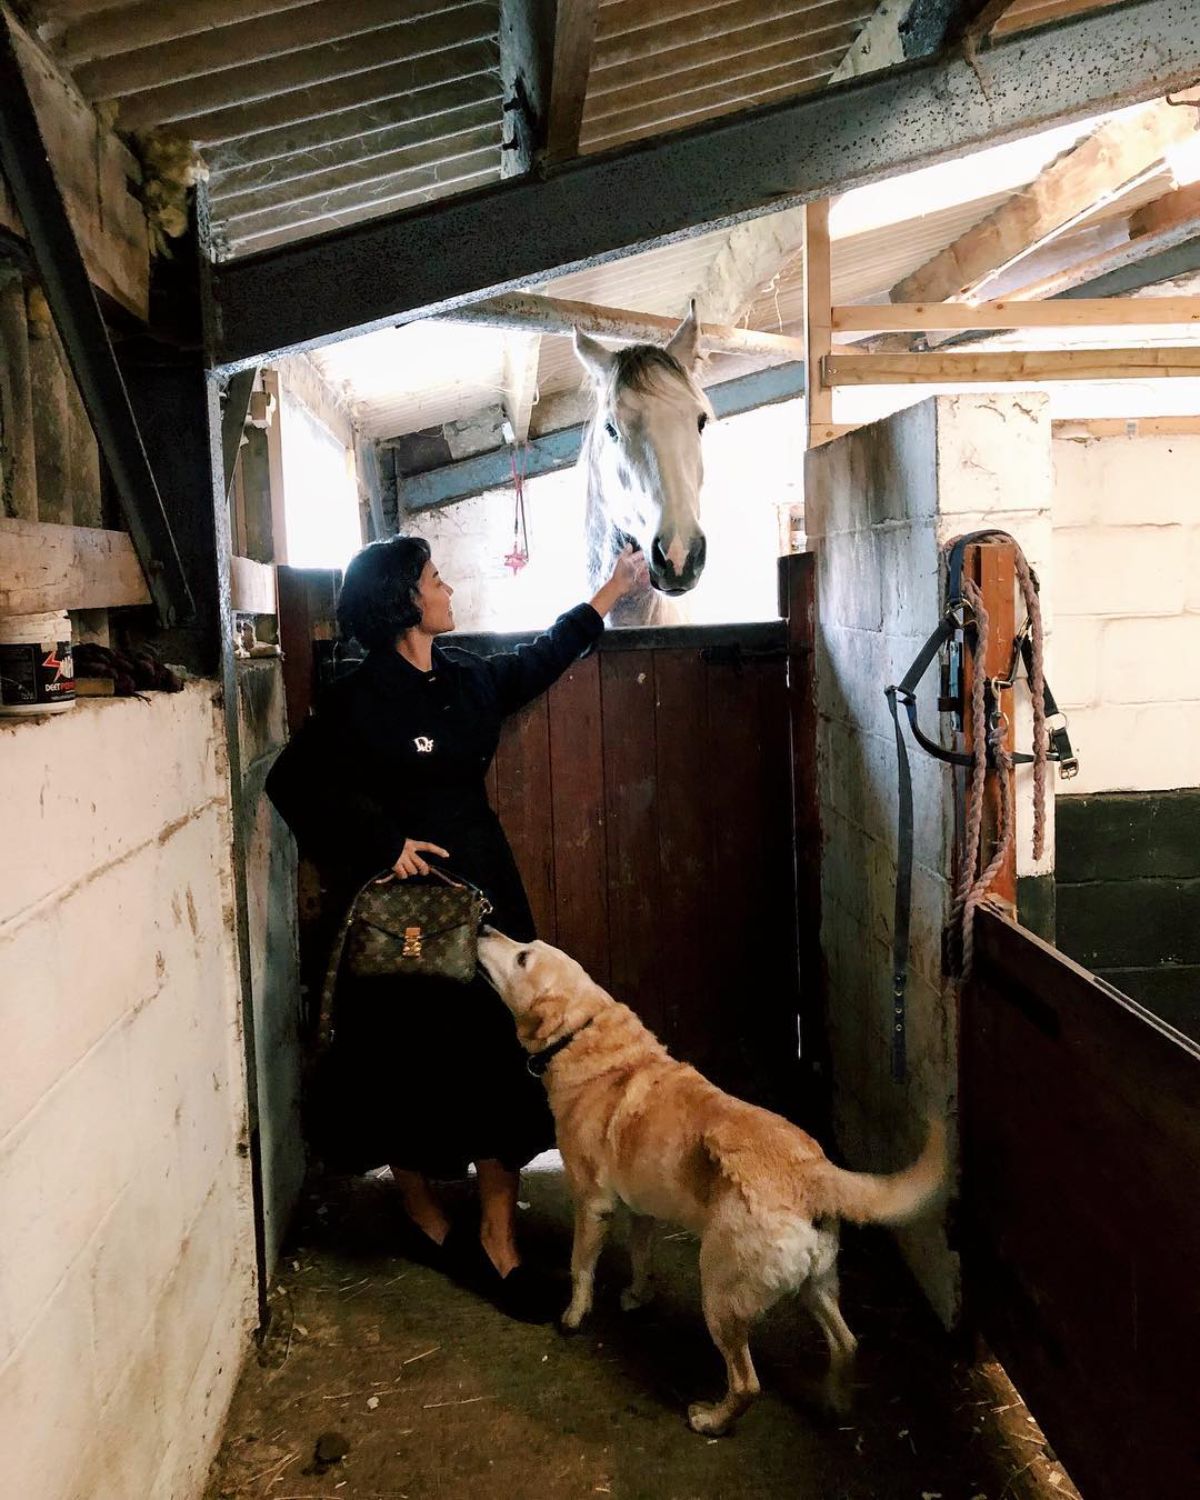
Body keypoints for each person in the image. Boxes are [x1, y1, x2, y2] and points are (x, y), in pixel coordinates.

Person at [265, 535, 646, 1320]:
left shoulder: (466, 677)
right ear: (405, 599)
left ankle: (497, 1236)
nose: (447, 587)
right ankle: (423, 1215)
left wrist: (608, 595)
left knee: (497, 1056)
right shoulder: (357, 697)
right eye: (435, 578)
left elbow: (537, 662)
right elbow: (289, 779)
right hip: (401, 912)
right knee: (400, 1054)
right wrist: (382, 843)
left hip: (484, 889)